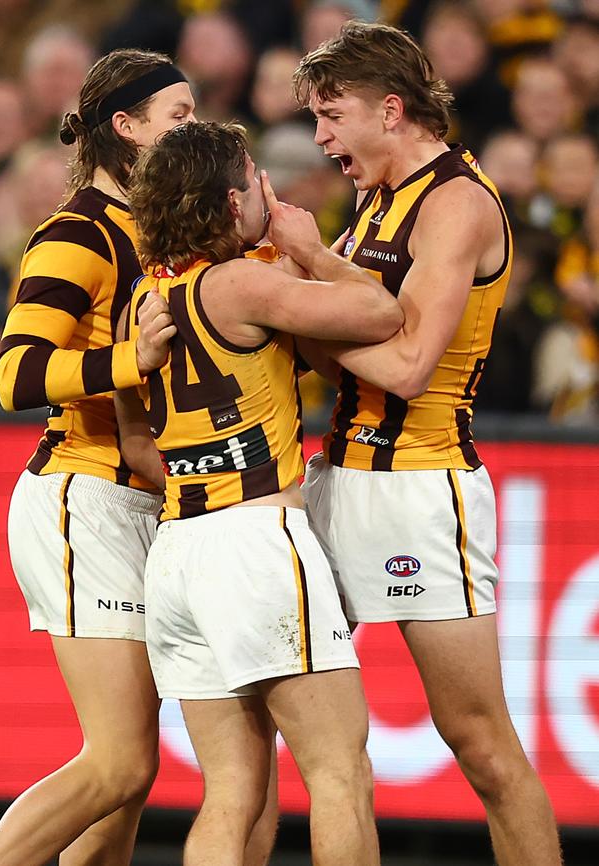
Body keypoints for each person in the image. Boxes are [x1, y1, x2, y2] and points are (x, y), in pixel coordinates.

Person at [0, 49, 277, 866]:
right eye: (178, 114)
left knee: (129, 778)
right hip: (84, 499)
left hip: (142, 501)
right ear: (126, 127)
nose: (194, 125)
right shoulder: (76, 232)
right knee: (119, 761)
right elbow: (15, 372)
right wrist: (126, 361)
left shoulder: (156, 229)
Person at [293, 22, 562, 866]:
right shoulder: (376, 196)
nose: (321, 137)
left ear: (392, 108)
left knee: (479, 745)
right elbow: (322, 341)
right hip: (337, 477)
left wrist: (299, 277)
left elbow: (409, 366)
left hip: (419, 491)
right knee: (281, 733)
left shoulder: (457, 203)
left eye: (333, 115)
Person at [117, 120, 404, 866]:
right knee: (341, 773)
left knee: (232, 793)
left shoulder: (140, 304)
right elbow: (383, 315)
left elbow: (135, 443)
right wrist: (307, 249)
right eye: (255, 179)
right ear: (234, 196)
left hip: (179, 550)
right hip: (256, 545)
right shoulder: (242, 283)